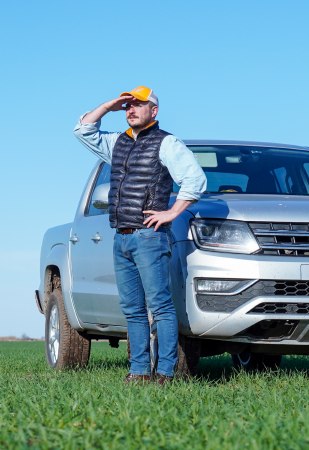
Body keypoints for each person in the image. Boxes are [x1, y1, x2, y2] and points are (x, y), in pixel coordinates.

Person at [72, 86, 206, 385]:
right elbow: (83, 130)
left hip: (149, 236)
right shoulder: (117, 143)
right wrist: (110, 105)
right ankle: (139, 372)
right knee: (132, 309)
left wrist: (172, 213)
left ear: (153, 111)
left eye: (138, 105)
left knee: (159, 306)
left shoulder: (167, 143)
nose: (131, 110)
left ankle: (165, 373)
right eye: (128, 106)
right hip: (121, 237)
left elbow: (195, 179)